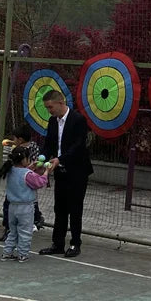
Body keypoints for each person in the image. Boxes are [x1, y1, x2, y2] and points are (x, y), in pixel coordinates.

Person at [38, 90, 93, 258]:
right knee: (59, 208)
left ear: (60, 103)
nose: (49, 111)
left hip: (77, 171)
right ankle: (58, 243)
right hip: (59, 170)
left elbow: (78, 146)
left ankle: (75, 243)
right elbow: (49, 144)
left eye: (50, 107)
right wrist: (40, 160)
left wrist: (60, 159)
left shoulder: (78, 119)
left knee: (75, 208)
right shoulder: (52, 121)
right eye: (47, 108)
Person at [0, 145, 48, 262]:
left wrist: (30, 168)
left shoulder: (10, 170)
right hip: (25, 207)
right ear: (24, 160)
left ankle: (7, 252)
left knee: (13, 231)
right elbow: (39, 182)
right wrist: (46, 172)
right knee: (25, 231)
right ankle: (23, 254)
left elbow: (21, 173)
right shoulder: (28, 174)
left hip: (12, 207)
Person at [0, 123, 45, 243]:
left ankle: (36, 219)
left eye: (14, 138)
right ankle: (8, 229)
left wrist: (32, 168)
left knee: (30, 203)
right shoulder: (17, 148)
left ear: (20, 139)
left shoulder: (31, 148)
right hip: (16, 183)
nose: (13, 140)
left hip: (27, 181)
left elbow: (34, 164)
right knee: (8, 205)